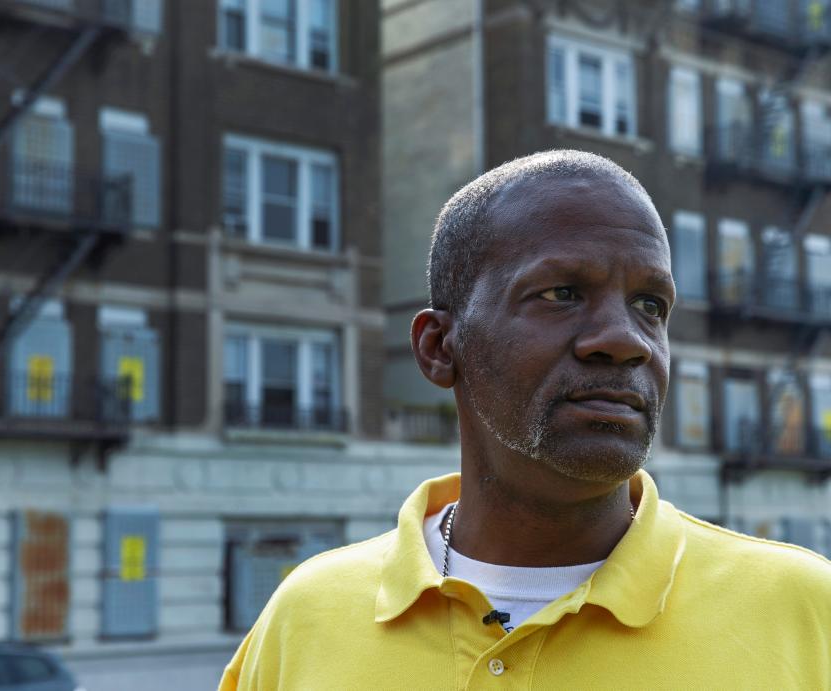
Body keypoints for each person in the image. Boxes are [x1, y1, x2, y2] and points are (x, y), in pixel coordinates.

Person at [220, 150, 831, 689]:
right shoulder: (306, 615)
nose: (626, 340)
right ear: (439, 347)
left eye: (651, 305)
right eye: (561, 293)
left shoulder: (804, 610)